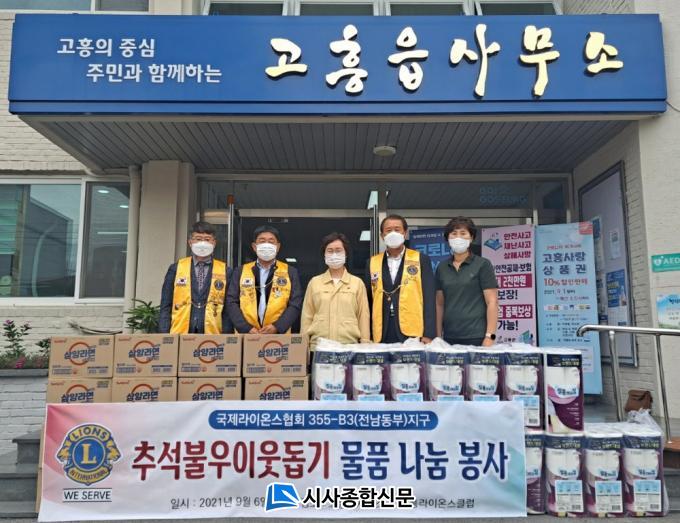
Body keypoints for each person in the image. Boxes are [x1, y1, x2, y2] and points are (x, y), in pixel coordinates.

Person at [366, 214, 436, 343]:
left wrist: (428, 334)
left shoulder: (420, 259)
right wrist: (367, 334)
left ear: (405, 233)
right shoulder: (372, 262)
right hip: (382, 329)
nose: (393, 233)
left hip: (412, 329)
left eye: (397, 229)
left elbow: (429, 298)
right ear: (382, 236)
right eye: (388, 230)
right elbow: (368, 300)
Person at [435, 216, 499, 347]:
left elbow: (492, 302)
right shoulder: (442, 267)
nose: (458, 237)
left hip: (477, 336)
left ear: (472, 238)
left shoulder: (483, 264)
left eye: (463, 233)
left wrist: (490, 336)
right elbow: (439, 304)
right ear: (448, 239)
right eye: (454, 234)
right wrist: (437, 337)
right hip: (449, 336)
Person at [159, 221, 232, 334]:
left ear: (214, 243)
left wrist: (226, 335)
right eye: (198, 239)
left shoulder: (225, 271)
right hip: (181, 330)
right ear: (190, 242)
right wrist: (164, 333)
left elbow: (228, 308)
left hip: (213, 332)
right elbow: (166, 304)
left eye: (207, 239)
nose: (202, 243)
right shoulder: (176, 268)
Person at [301, 232, 370, 349]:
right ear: (324, 255)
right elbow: (306, 317)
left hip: (348, 346)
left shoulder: (357, 283)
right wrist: (303, 346)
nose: (334, 254)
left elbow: (363, 316)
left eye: (338, 250)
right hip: (318, 347)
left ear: (346, 254)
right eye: (330, 251)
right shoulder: (314, 282)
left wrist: (365, 343)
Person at [227, 225, 302, 334]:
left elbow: (295, 303)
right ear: (254, 246)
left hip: (279, 336)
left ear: (278, 247)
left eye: (271, 241)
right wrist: (246, 328)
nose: (266, 245)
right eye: (262, 241)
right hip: (247, 334)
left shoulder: (290, 272)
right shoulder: (240, 271)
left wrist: (277, 327)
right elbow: (231, 302)